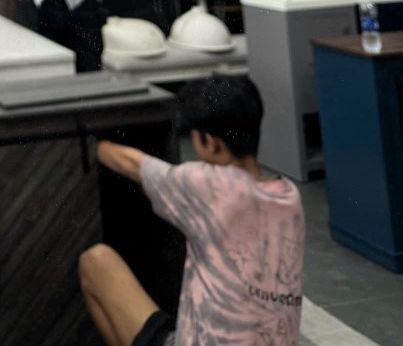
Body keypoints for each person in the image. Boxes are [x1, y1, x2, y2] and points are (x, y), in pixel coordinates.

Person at [78, 74, 304, 346]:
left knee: (96, 262)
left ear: (210, 142)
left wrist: (94, 143)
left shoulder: (206, 186)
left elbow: (131, 164)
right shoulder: (290, 196)